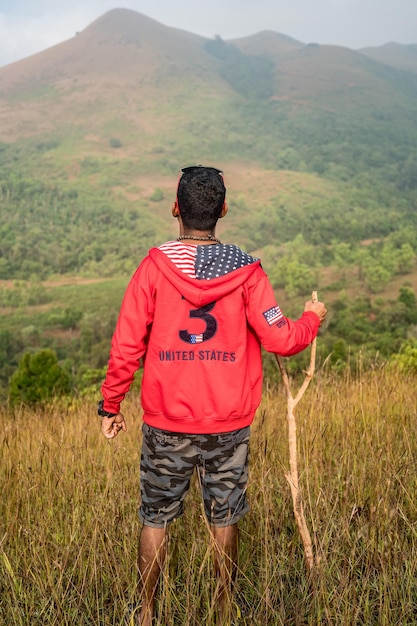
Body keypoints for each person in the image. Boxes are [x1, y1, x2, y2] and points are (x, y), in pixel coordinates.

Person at [98, 165, 327, 625]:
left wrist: (111, 403)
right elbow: (282, 339)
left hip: (165, 422)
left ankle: (145, 613)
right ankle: (224, 606)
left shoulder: (153, 268)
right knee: (225, 513)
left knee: (156, 515)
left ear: (175, 208)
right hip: (228, 422)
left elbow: (126, 343)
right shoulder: (247, 271)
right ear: (222, 209)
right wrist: (311, 317)